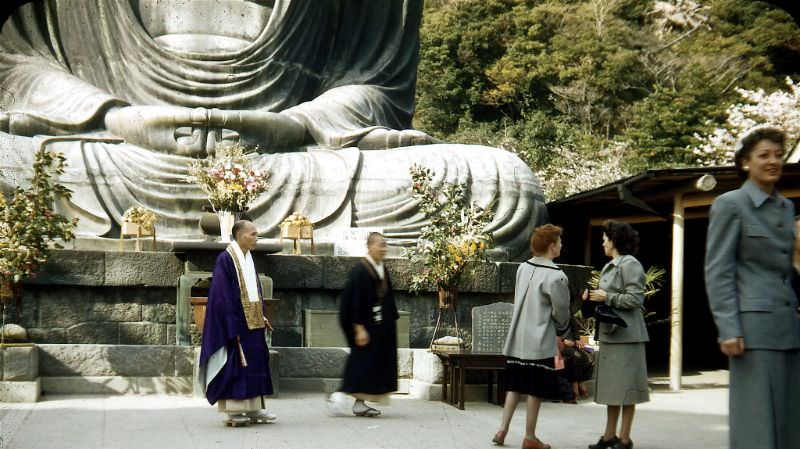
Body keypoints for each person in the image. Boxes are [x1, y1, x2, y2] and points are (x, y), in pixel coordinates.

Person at [0, 0, 545, 256]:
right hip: (109, 149)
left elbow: (377, 84)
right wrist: (113, 115)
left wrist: (296, 123)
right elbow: (15, 66)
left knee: (500, 180)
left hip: (292, 156)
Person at [705, 126, 800, 449]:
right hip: (750, 330)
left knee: (774, 426)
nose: (773, 161)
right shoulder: (731, 204)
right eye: (764, 154)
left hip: (786, 327)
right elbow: (718, 269)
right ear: (745, 162)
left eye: (779, 154)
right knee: (754, 425)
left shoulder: (784, 209)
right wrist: (729, 326)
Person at [492, 224, 570, 449]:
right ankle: (530, 436)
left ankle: (502, 430)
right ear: (552, 246)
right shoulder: (557, 276)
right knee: (535, 389)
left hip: (518, 337)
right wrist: (562, 332)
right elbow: (561, 311)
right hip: (540, 338)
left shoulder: (523, 268)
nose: (561, 244)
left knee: (515, 386)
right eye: (559, 241)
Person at [197, 220, 276, 427]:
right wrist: (231, 325)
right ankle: (234, 410)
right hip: (236, 321)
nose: (256, 238)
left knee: (256, 360)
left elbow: (254, 292)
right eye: (252, 234)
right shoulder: (226, 259)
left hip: (253, 321)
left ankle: (254, 407)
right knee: (238, 364)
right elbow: (221, 296)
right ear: (239, 235)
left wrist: (262, 315)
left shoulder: (248, 258)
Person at [586, 220, 649, 449]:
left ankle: (625, 438)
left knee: (626, 390)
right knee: (613, 389)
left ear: (615, 240)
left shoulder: (630, 264)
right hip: (612, 335)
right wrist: (593, 297)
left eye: (605, 238)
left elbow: (636, 299)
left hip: (627, 336)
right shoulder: (611, 265)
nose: (602, 242)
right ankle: (609, 435)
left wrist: (607, 297)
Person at [334, 232, 399, 417]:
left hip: (377, 324)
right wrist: (359, 327)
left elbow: (387, 297)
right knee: (361, 362)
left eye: (385, 245)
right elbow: (355, 301)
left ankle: (359, 402)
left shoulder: (381, 268)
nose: (383, 249)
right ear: (370, 247)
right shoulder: (360, 271)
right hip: (363, 324)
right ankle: (342, 395)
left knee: (371, 363)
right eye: (380, 245)